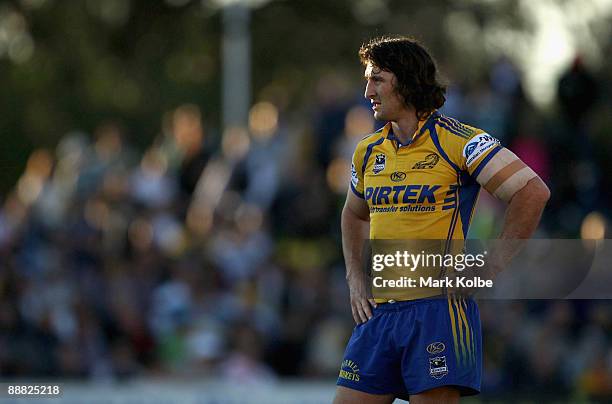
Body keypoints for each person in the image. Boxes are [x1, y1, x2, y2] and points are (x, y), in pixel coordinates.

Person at [334, 36, 550, 404]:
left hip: (438, 310)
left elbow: (532, 191)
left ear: (406, 81)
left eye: (377, 79)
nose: (367, 90)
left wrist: (491, 266)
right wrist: (356, 279)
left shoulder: (459, 141)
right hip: (380, 315)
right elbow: (353, 214)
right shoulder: (367, 151)